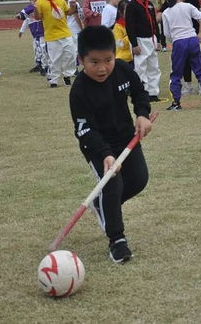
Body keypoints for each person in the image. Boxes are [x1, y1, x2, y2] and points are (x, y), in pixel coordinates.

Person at [69, 25, 152, 263]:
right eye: (94, 62)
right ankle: (117, 240)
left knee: (138, 180)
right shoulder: (79, 91)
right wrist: (105, 154)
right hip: (98, 146)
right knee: (112, 185)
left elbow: (139, 93)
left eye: (108, 59)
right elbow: (84, 130)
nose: (103, 67)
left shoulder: (123, 70)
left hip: (126, 138)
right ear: (81, 59)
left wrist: (142, 114)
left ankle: (103, 204)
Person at [162, 0, 201, 110]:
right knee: (200, 70)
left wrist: (173, 40)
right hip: (192, 39)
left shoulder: (166, 12)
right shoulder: (188, 6)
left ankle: (176, 102)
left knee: (176, 73)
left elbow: (166, 33)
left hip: (178, 41)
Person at [34, 0, 77, 87]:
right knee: (55, 59)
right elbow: (37, 17)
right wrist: (35, 9)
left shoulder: (61, 0)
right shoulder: (40, 2)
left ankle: (67, 76)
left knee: (70, 55)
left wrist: (73, 6)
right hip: (51, 36)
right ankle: (54, 80)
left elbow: (68, 12)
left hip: (65, 33)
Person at [126, 0, 162, 102]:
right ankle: (142, 92)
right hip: (140, 39)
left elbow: (155, 23)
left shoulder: (149, 4)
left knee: (154, 66)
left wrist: (159, 40)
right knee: (140, 67)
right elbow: (129, 26)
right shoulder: (132, 5)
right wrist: (134, 44)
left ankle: (153, 93)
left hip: (151, 38)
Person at [17, 0, 49, 76]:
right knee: (38, 49)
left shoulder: (43, 4)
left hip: (43, 32)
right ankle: (40, 65)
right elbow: (24, 17)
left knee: (43, 49)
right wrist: (19, 16)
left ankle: (43, 66)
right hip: (36, 33)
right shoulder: (31, 7)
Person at [113, 0, 134, 65]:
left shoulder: (132, 24)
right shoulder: (117, 27)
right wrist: (131, 35)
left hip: (133, 57)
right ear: (120, 12)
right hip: (123, 60)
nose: (129, 13)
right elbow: (120, 44)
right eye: (127, 11)